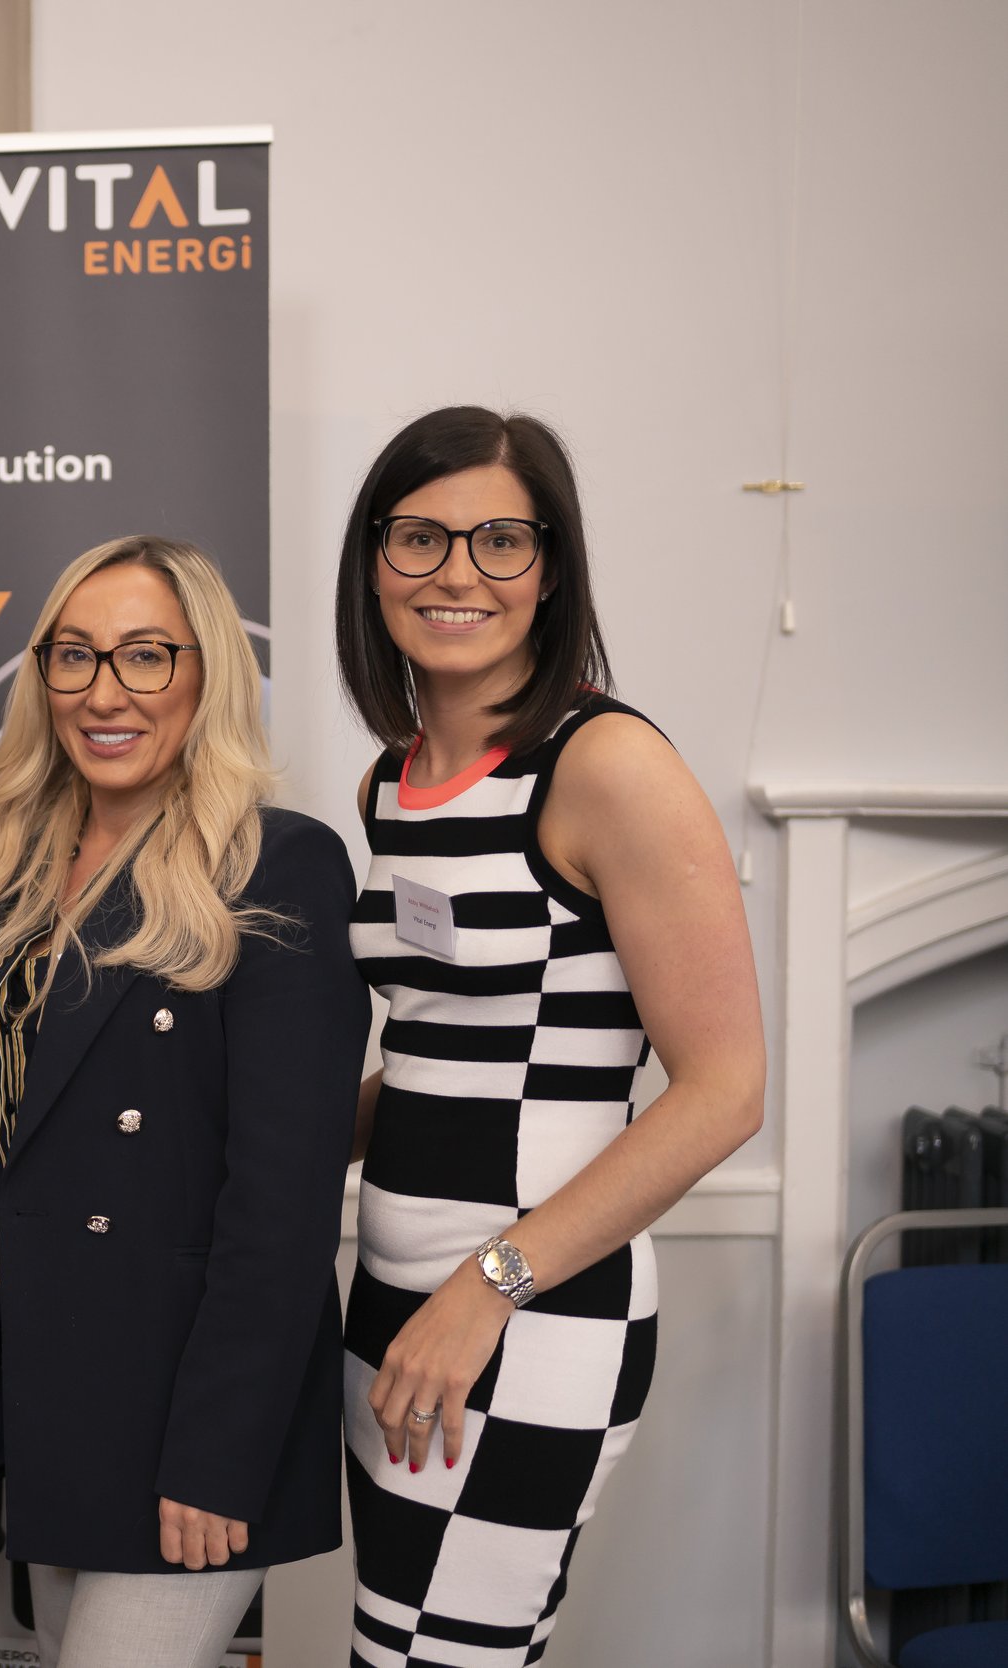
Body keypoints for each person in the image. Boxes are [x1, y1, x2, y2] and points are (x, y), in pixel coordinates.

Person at [332, 408, 765, 1663]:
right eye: (420, 537)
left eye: (500, 541)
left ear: (551, 569)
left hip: (527, 1310)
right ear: (373, 561)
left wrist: (488, 1288)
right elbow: (445, 1056)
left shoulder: (603, 762)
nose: (456, 573)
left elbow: (725, 1090)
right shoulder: (391, 780)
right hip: (393, 1305)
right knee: (396, 1645)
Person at [0, 536, 367, 1668]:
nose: (103, 693)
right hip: (34, 1394)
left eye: (146, 656)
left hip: (177, 1412)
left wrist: (219, 1453)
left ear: (208, 674)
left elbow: (282, 1200)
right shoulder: (5, 876)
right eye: (74, 656)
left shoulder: (275, 864)